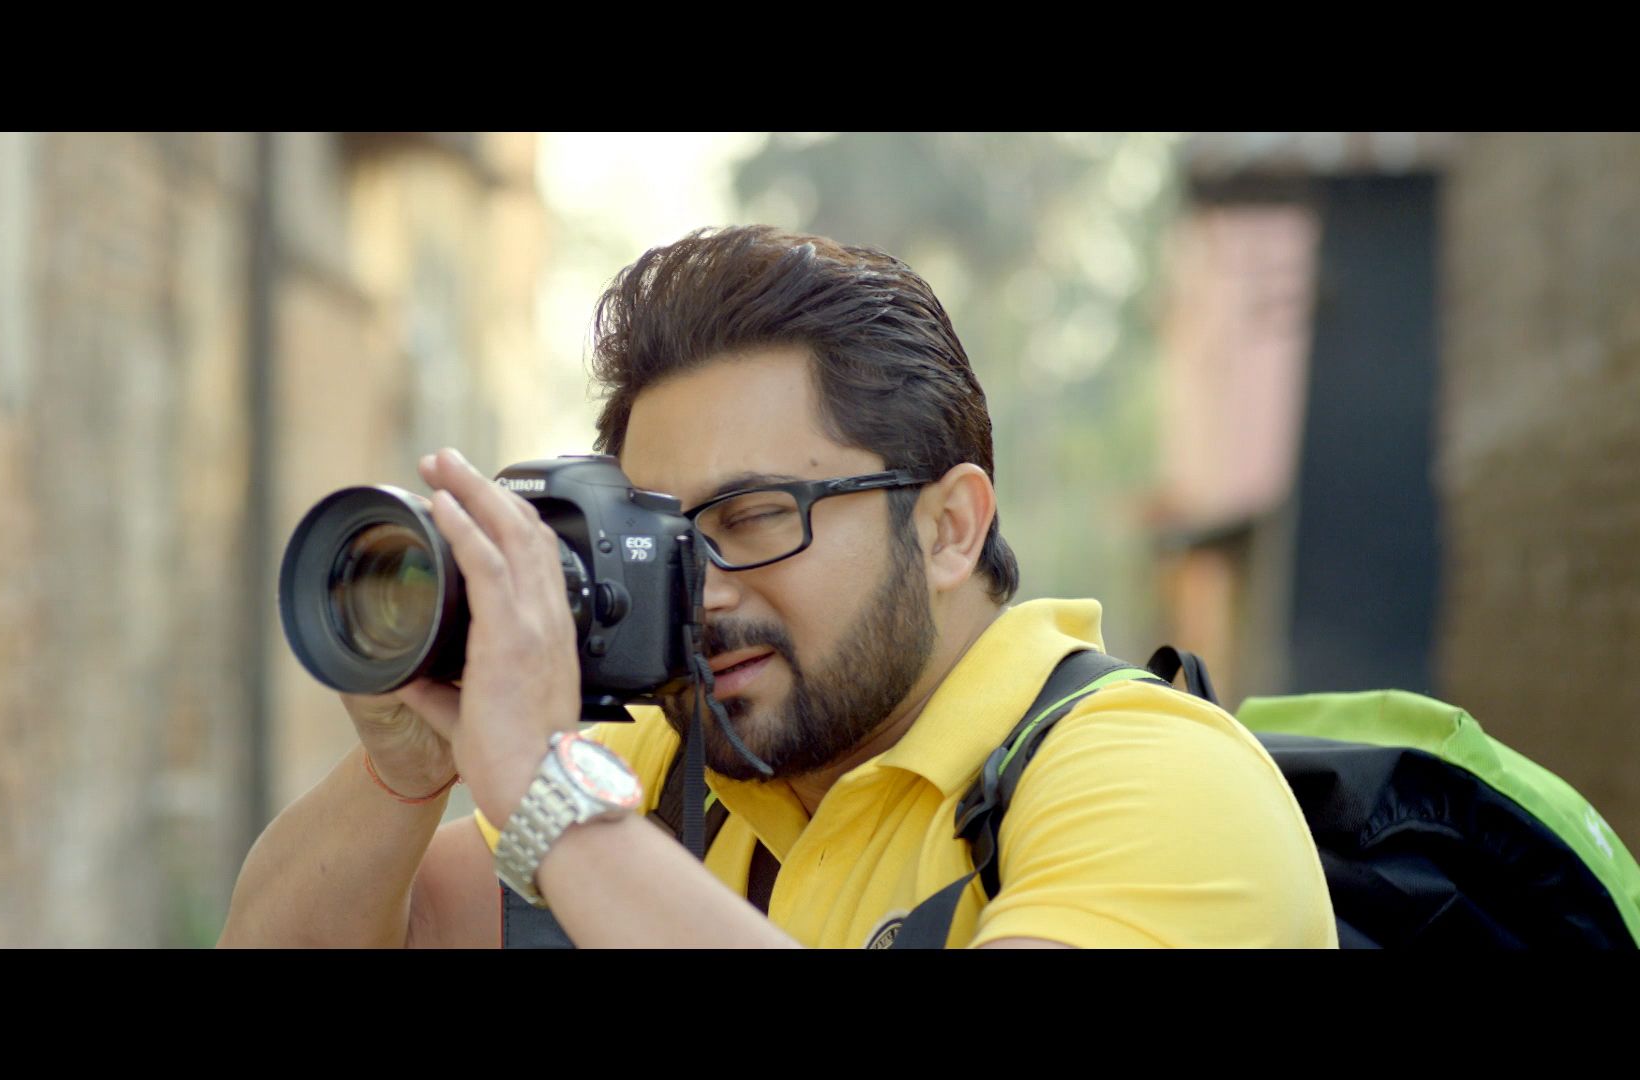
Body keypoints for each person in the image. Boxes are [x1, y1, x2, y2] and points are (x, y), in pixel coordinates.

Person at [217, 225, 1337, 949]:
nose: (702, 593)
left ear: (949, 528)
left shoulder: (1154, 783)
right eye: (666, 537)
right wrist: (410, 768)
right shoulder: (666, 774)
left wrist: (550, 799)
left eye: (754, 517)